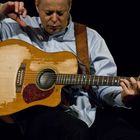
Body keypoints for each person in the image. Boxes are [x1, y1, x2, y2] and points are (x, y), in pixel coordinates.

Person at [0, 0, 140, 140]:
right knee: (75, 132)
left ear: (70, 7)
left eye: (60, 13)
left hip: (83, 112)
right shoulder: (17, 26)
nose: (54, 19)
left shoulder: (89, 38)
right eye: (48, 13)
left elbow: (104, 87)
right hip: (32, 112)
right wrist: (1, 10)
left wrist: (123, 97)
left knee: (128, 135)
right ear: (37, 6)